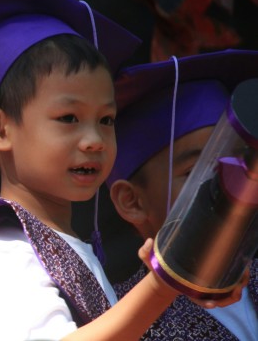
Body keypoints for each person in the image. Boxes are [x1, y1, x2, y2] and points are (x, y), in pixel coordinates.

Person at [0, 0, 243, 340]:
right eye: (68, 118)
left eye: (106, 120)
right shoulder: (6, 251)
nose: (93, 139)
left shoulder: (66, 250)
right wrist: (165, 283)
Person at [107, 50, 258, 340]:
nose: (226, 184)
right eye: (193, 172)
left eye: (235, 163)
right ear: (132, 201)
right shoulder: (127, 322)